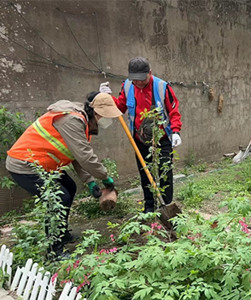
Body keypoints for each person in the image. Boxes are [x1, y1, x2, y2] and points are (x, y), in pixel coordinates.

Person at [6, 92, 122, 259]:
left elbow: (76, 156)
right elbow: (85, 157)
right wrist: (104, 177)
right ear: (95, 113)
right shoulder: (72, 120)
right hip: (24, 165)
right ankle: (54, 251)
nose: (106, 121)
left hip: (41, 164)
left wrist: (90, 181)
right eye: (104, 116)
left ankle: (62, 235)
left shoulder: (82, 122)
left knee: (69, 186)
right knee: (59, 198)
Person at [101, 57, 182, 213]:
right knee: (146, 174)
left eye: (142, 79)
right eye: (135, 80)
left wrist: (176, 131)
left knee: (165, 173)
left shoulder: (162, 87)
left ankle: (166, 206)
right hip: (140, 140)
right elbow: (120, 108)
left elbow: (174, 111)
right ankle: (149, 207)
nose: (138, 83)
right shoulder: (127, 87)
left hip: (162, 139)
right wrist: (108, 98)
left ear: (149, 73)